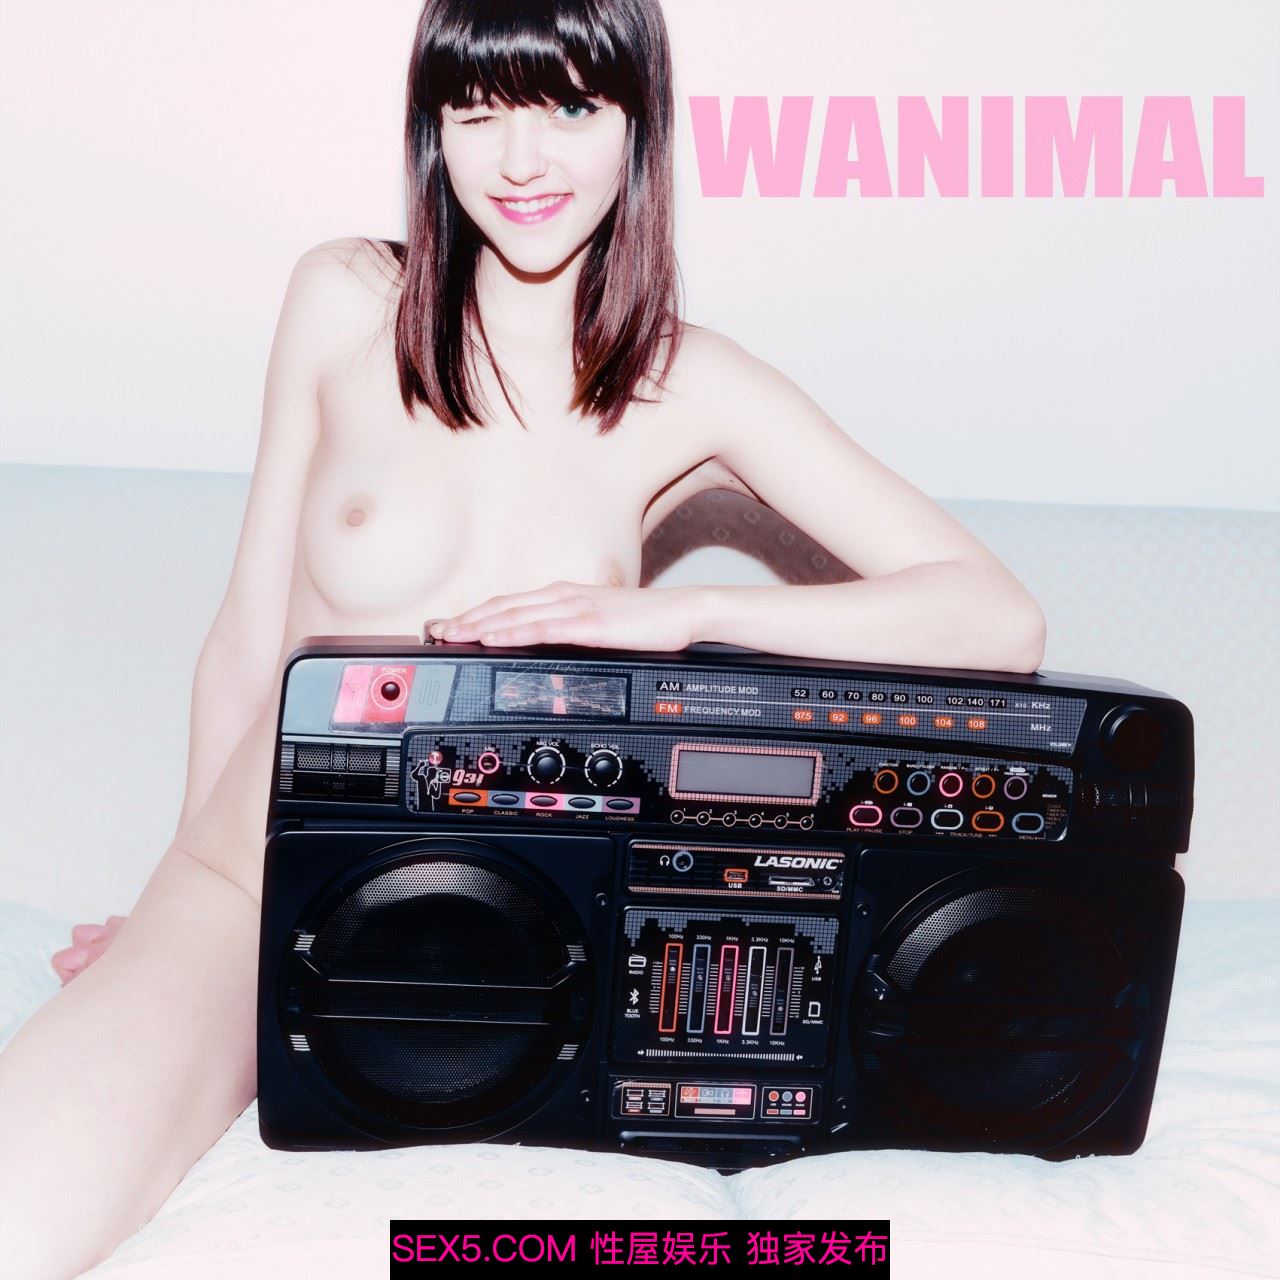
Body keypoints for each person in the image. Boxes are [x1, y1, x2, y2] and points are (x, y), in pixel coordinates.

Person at [0, 0, 1046, 1274]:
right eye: (477, 111)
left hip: (529, 930)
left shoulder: (687, 383)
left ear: (636, 124)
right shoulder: (344, 297)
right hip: (259, 877)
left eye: (569, 108)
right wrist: (173, 899)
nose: (519, 161)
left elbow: (995, 615)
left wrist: (683, 613)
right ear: (432, 129)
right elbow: (249, 629)